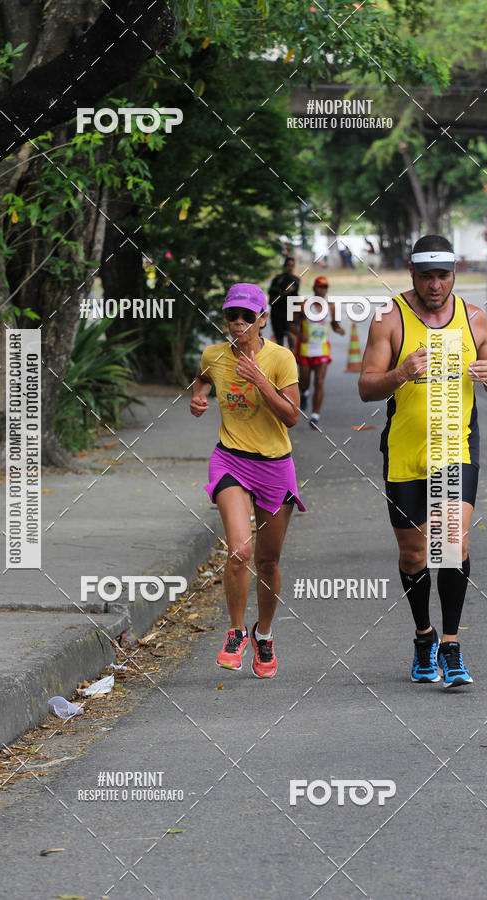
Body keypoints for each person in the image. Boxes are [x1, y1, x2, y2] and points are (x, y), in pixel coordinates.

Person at [358, 234, 487, 687]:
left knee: (452, 545)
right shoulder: (390, 319)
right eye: (427, 276)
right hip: (405, 451)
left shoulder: (474, 319)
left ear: (454, 272)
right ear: (412, 273)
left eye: (443, 275)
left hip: (455, 450)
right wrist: (402, 372)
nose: (435, 284)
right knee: (414, 554)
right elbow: (367, 387)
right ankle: (423, 635)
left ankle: (451, 644)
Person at [190, 283, 305, 678]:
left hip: (274, 465)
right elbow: (201, 377)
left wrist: (259, 379)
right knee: (240, 550)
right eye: (230, 316)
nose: (238, 323)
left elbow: (292, 416)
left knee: (268, 561)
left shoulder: (281, 359)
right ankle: (237, 631)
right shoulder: (214, 355)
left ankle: (265, 634)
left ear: (262, 319)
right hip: (230, 460)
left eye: (246, 316)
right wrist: (199, 397)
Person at [293, 275, 345, 429]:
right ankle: (304, 393)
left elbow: (335, 325)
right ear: (314, 288)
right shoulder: (303, 305)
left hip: (322, 351)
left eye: (325, 287)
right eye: (320, 287)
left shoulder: (331, 308)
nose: (322, 290)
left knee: (319, 382)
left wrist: (339, 329)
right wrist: (299, 334)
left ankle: (315, 416)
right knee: (305, 382)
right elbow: (290, 324)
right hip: (305, 350)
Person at [268, 257, 300, 348]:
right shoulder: (277, 280)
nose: (290, 268)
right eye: (288, 265)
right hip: (278, 314)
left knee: (292, 339)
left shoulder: (296, 280)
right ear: (284, 266)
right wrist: (284, 292)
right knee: (280, 343)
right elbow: (271, 301)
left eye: (292, 266)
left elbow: (295, 297)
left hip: (291, 315)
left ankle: (292, 361)